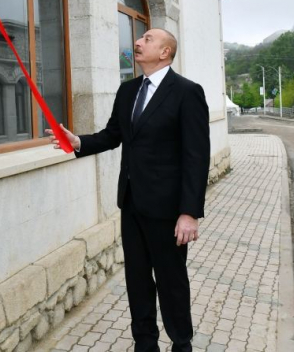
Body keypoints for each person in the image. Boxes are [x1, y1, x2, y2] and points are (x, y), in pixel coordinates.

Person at [47, 28, 210, 352]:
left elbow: (196, 156)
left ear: (165, 52)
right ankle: (145, 344)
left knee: (171, 281)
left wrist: (189, 212)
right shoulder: (128, 91)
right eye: (141, 38)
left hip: (167, 210)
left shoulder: (186, 92)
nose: (138, 42)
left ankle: (181, 342)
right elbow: (112, 135)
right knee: (137, 280)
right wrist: (79, 142)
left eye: (148, 39)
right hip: (132, 204)